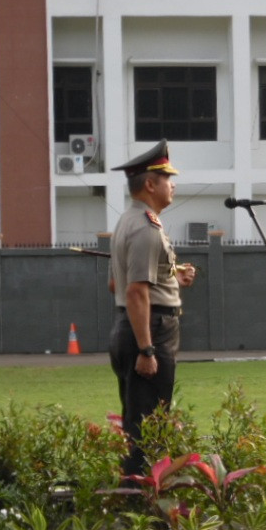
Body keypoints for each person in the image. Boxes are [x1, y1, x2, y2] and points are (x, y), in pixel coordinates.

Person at [108, 139, 197, 476]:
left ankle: (136, 497)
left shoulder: (126, 223)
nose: (172, 184)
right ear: (150, 184)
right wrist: (147, 349)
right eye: (167, 177)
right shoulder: (146, 229)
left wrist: (172, 278)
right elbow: (135, 292)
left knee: (138, 422)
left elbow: (116, 283)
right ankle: (140, 502)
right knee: (148, 427)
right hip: (149, 332)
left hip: (130, 329)